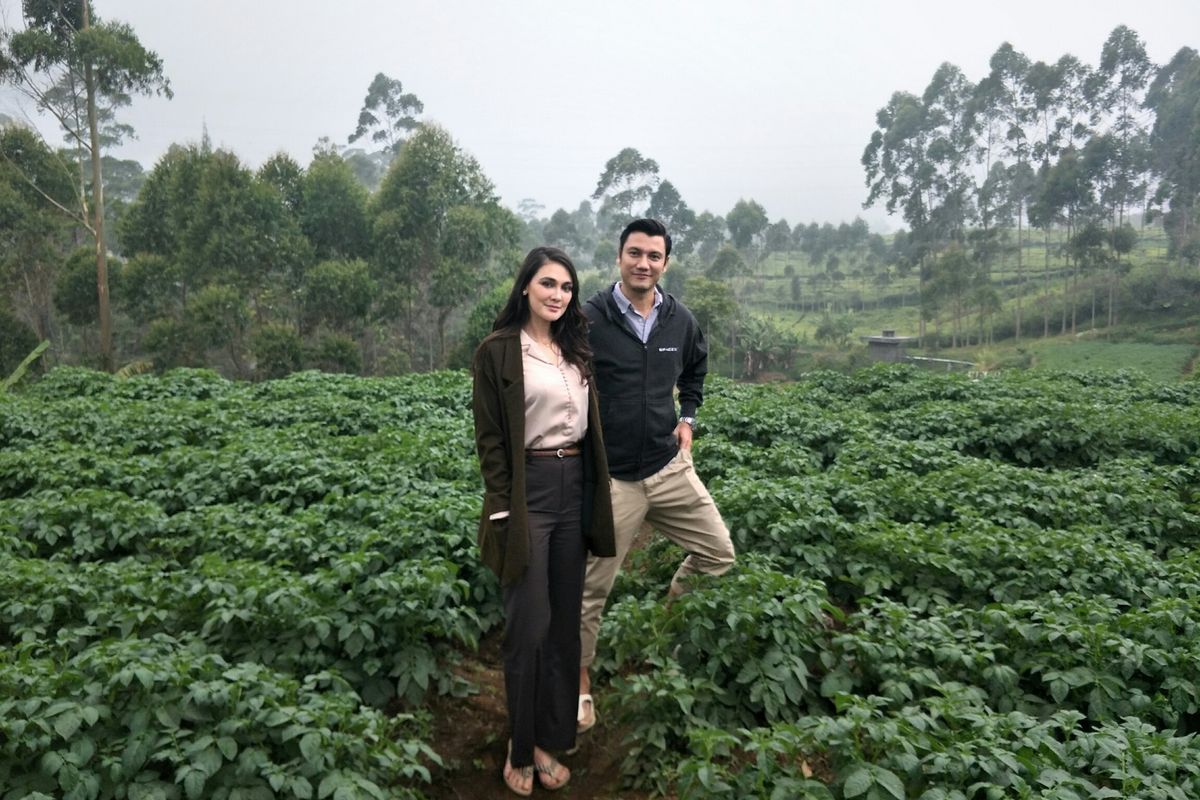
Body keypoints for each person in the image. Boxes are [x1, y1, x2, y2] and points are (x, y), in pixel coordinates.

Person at [575, 218, 736, 733]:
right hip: (614, 478)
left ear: (666, 263)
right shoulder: (589, 319)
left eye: (654, 256)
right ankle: (578, 684)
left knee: (717, 554)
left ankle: (665, 631)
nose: (644, 263)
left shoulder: (680, 321)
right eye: (635, 253)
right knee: (589, 590)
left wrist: (688, 417)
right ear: (619, 256)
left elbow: (695, 369)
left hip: (669, 467)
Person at [472, 246, 616, 796]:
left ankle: (549, 739)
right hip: (528, 491)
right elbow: (490, 439)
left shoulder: (575, 349)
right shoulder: (498, 352)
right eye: (548, 284)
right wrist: (503, 507)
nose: (558, 295)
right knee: (528, 626)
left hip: (573, 486)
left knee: (562, 627)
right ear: (526, 287)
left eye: (567, 288)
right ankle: (519, 743)